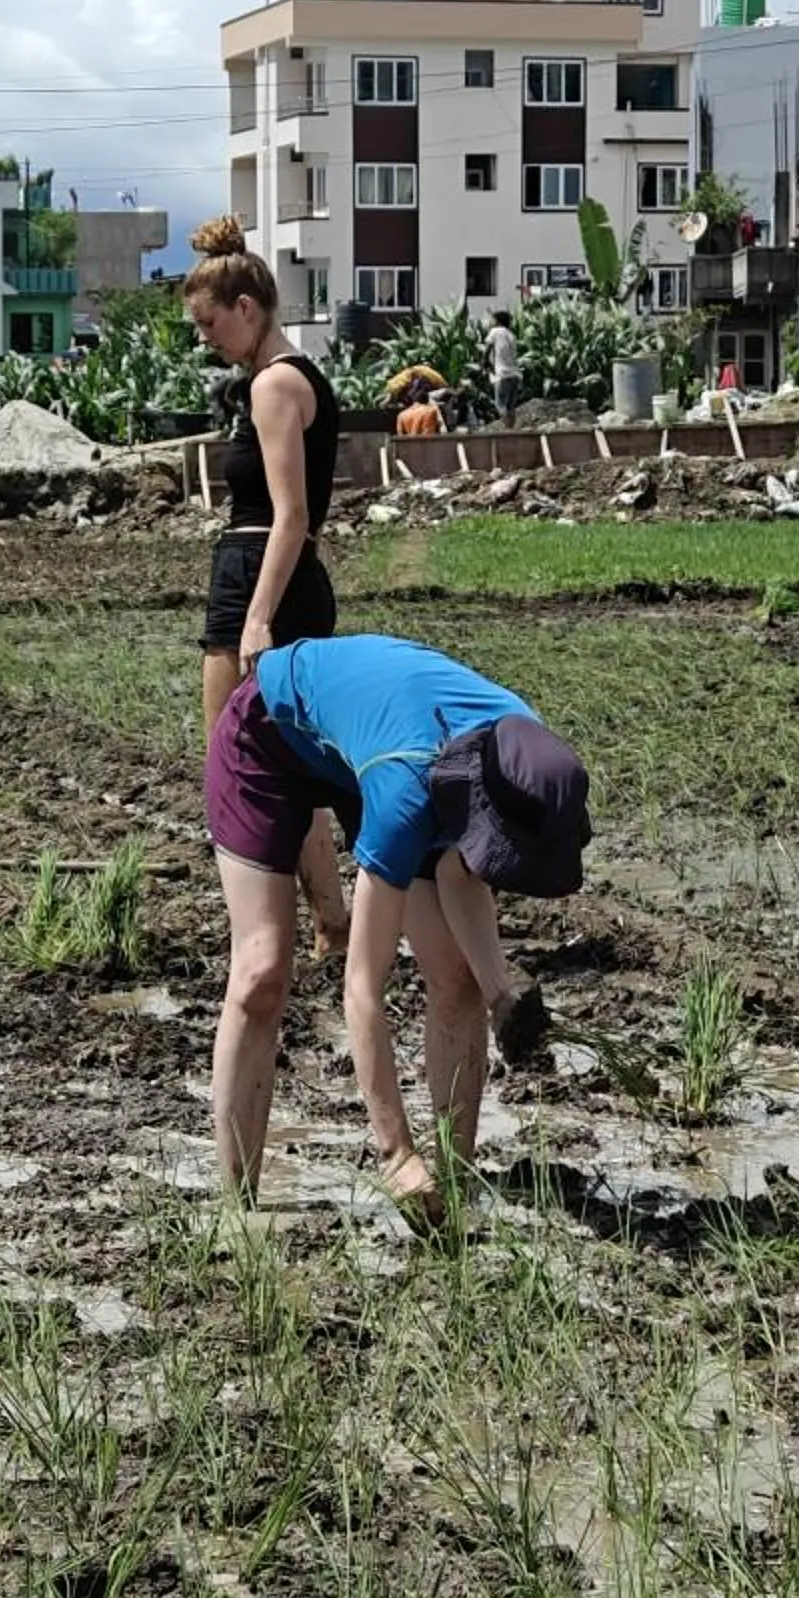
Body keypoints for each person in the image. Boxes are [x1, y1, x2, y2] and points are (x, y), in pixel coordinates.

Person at [205, 635, 589, 1211]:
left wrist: (500, 991)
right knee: (261, 973)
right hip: (269, 735)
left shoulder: (523, 752)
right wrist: (396, 1153)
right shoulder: (409, 790)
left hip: (375, 746)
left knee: (456, 977)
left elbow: (464, 870)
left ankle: (453, 1191)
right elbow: (361, 987)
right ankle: (240, 1214)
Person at [184, 215, 347, 957]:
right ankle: (330, 922)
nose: (205, 339)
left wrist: (254, 620)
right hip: (282, 579)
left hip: (262, 577)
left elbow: (292, 516)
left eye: (209, 324)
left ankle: (259, 933)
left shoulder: (276, 386)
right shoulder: (288, 378)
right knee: (294, 761)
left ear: (246, 309)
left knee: (235, 764)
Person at [488, 310, 522, 427]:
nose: (490, 322)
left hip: (502, 374)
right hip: (515, 374)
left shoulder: (495, 332)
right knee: (511, 407)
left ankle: (507, 428)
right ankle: (512, 430)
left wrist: (484, 363)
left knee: (500, 405)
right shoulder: (511, 334)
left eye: (492, 319)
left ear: (498, 321)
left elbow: (487, 348)